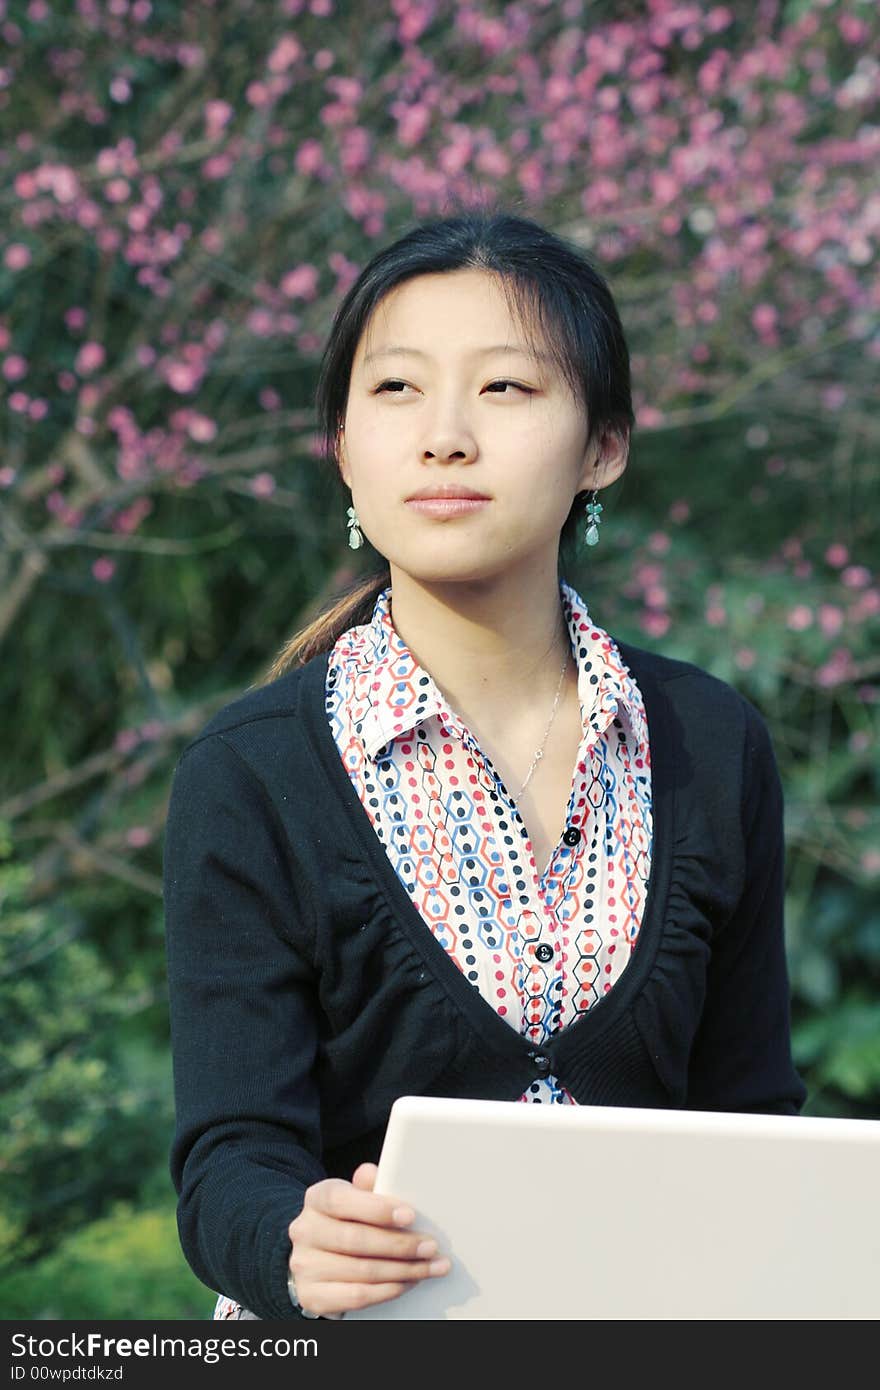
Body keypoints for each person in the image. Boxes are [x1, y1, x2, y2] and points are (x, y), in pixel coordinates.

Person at [162, 207, 807, 1322]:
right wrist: (291, 1243)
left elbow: (749, 1118)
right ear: (344, 452)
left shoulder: (709, 744)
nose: (445, 436)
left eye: (506, 389)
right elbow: (230, 1158)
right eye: (397, 390)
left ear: (602, 445)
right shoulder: (252, 775)